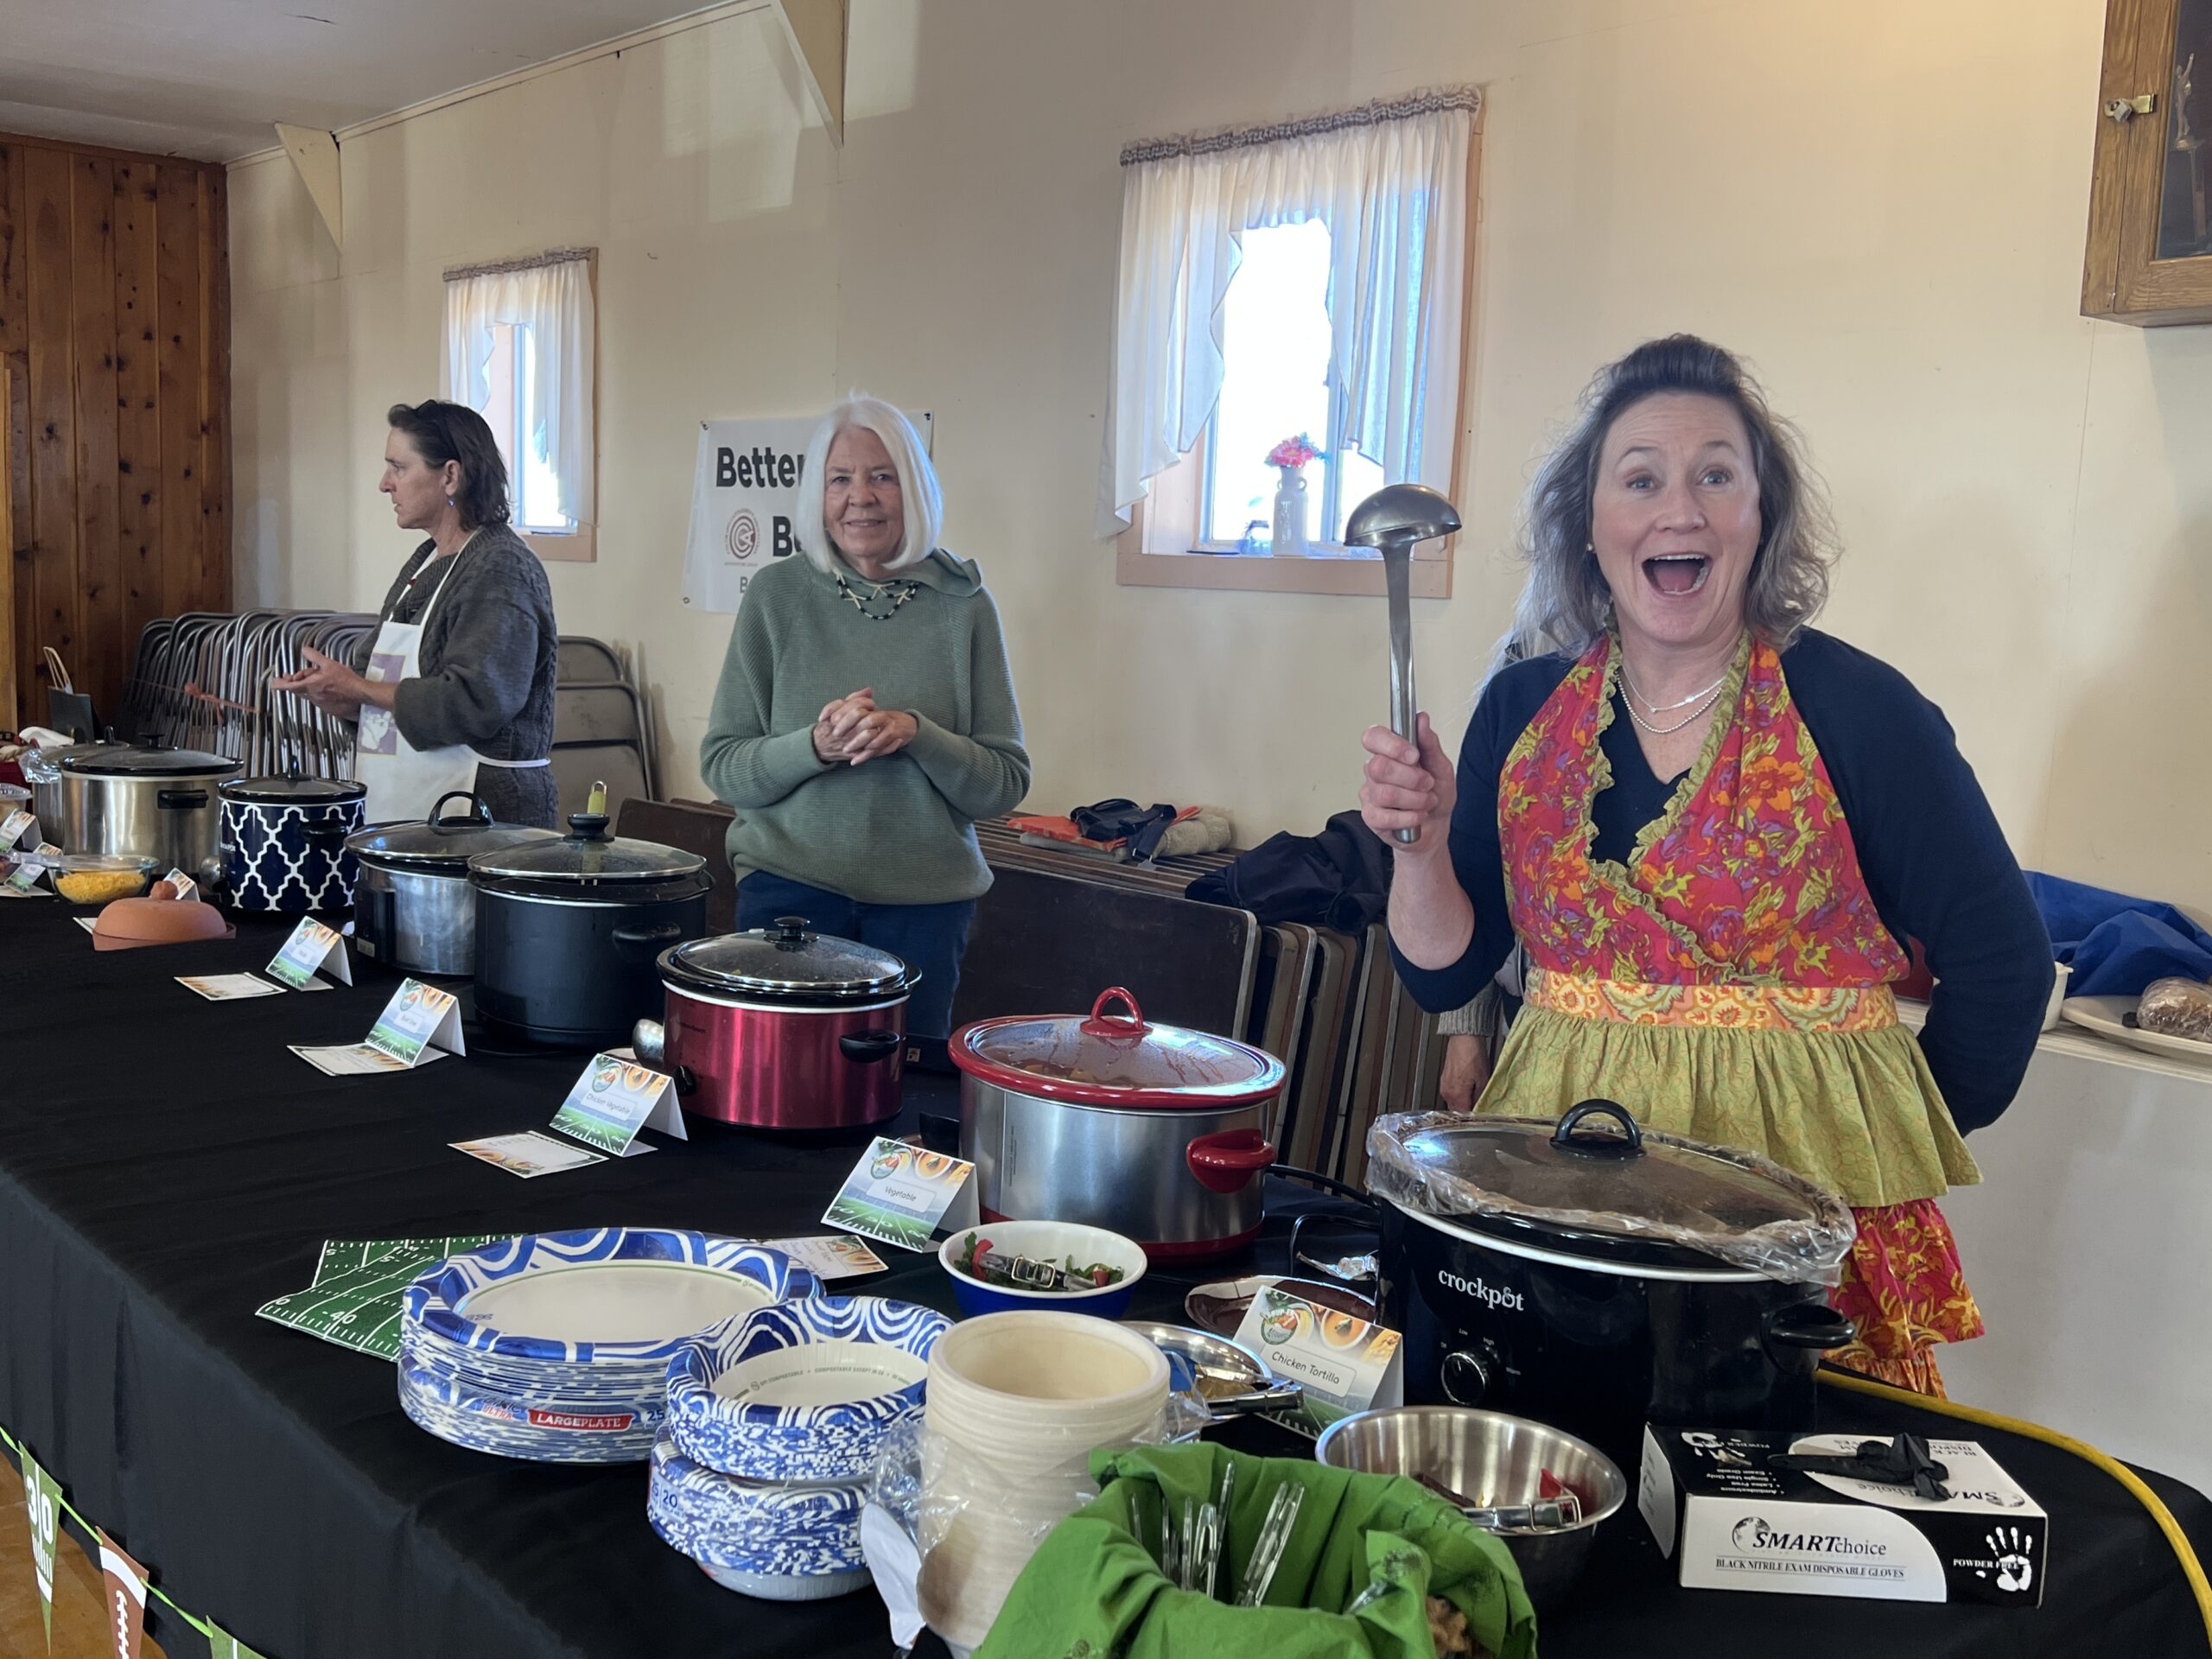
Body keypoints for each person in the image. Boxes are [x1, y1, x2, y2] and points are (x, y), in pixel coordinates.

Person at [1358, 335, 2052, 1395]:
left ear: (1757, 515)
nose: (1677, 510)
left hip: (1793, 1247)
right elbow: (1451, 975)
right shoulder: (1521, 709)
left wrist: (1882, 1131)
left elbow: (2003, 967)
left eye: (1714, 476)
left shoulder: (1862, 714)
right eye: (1639, 479)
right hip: (1560, 1215)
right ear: (1588, 526)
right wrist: (1414, 849)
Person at [700, 395, 1030, 1039]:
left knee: (899, 1107)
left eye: (883, 476)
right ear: (817, 496)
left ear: (914, 489)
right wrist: (815, 746)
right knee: (775, 1098)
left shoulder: (965, 606)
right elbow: (723, 768)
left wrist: (917, 733)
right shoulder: (777, 595)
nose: (861, 498)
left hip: (924, 911)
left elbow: (1004, 783)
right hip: (789, 899)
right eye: (840, 479)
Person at [274, 401, 559, 827]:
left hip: (485, 822)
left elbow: (476, 701)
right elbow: (381, 686)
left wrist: (361, 689)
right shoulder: (426, 561)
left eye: (398, 468)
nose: (384, 484)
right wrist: (342, 698)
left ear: (450, 475)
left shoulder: (500, 568)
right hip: (412, 813)